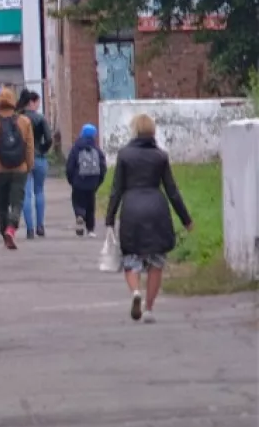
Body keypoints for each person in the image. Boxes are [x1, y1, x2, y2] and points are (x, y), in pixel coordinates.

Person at [105, 114, 193, 323]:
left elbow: (116, 189)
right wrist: (186, 219)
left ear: (134, 131)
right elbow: (172, 191)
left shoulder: (124, 155)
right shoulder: (160, 156)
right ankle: (150, 309)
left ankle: (136, 291)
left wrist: (109, 218)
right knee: (156, 261)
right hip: (157, 208)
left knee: (131, 258)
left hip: (132, 209)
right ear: (153, 132)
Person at [0, 91, 35, 249]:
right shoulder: (24, 122)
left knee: (3, 202)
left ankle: (5, 234)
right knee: (17, 202)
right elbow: (30, 148)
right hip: (20, 169)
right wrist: (28, 166)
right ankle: (12, 228)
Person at [17, 90, 53, 238]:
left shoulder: (18, 119)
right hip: (39, 158)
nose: (38, 105)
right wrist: (42, 150)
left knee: (26, 194)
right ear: (31, 102)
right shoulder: (40, 119)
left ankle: (30, 229)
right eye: (37, 102)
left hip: (23, 159)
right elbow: (49, 139)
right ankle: (40, 226)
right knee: (39, 191)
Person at [64, 123, 107, 237]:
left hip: (78, 181)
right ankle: (90, 229)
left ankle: (80, 215)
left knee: (77, 202)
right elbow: (103, 167)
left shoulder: (76, 148)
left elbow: (70, 166)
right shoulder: (97, 149)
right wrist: (98, 182)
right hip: (92, 183)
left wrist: (71, 180)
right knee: (90, 205)